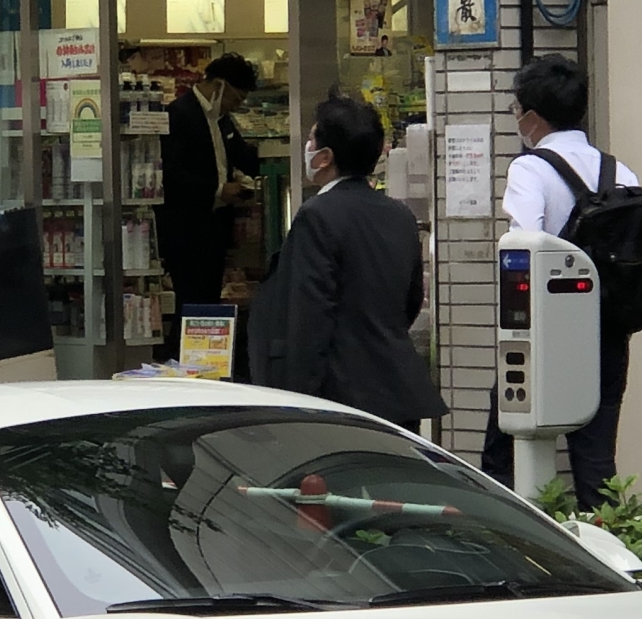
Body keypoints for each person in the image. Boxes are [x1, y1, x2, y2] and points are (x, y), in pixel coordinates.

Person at [491, 56, 642, 504]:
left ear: (532, 117)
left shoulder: (530, 168)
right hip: (609, 332)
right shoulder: (621, 172)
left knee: (505, 454)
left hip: (545, 335)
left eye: (516, 110)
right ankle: (612, 554)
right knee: (597, 464)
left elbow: (522, 246)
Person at [250, 96, 444, 431]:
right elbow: (410, 300)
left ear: (325, 157)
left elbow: (308, 315)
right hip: (396, 388)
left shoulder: (318, 215)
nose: (308, 148)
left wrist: (300, 400)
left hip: (339, 392)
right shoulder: (398, 214)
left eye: (312, 140)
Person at [159, 54, 261, 330]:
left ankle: (204, 357)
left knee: (208, 299)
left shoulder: (223, 120)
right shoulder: (179, 115)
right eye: (235, 99)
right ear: (218, 86)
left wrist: (245, 178)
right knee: (190, 301)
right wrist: (217, 190)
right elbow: (172, 174)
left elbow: (243, 156)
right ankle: (183, 358)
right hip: (186, 227)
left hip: (214, 228)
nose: (236, 106)